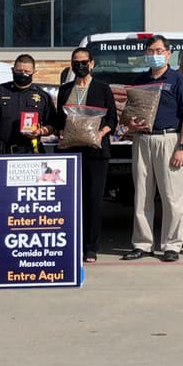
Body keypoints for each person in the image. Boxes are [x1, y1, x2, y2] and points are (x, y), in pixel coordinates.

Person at [120, 36, 183, 263]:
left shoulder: (178, 79)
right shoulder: (140, 80)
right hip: (142, 140)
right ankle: (142, 243)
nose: (154, 55)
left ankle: (171, 245)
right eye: (150, 51)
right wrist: (130, 124)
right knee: (142, 195)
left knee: (172, 196)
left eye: (159, 50)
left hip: (169, 140)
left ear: (168, 53)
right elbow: (129, 112)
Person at [0, 54, 56, 267]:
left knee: (28, 206)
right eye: (19, 70)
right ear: (13, 70)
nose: (22, 74)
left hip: (29, 156)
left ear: (34, 72)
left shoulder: (42, 96)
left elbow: (53, 125)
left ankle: (25, 248)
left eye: (26, 71)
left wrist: (41, 131)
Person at [53, 48, 118, 263]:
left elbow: (112, 119)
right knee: (72, 200)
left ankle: (91, 247)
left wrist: (101, 133)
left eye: (83, 62)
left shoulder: (102, 88)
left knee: (93, 199)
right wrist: (60, 132)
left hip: (96, 152)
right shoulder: (65, 90)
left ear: (91, 64)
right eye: (75, 62)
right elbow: (59, 119)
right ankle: (74, 244)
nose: (79, 66)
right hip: (70, 151)